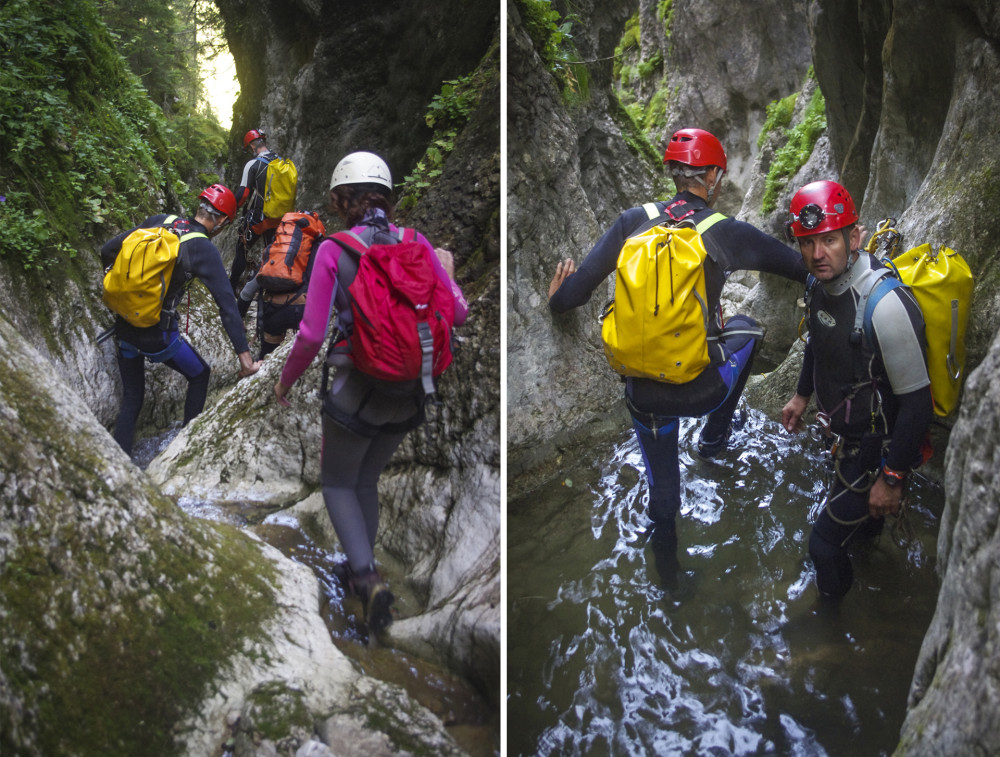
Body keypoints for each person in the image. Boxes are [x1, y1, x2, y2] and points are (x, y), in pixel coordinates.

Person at [548, 127, 808, 587]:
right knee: (748, 330)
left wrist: (556, 295)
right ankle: (714, 437)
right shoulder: (725, 232)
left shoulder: (632, 221)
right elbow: (801, 268)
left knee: (664, 495)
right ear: (711, 177)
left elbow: (571, 297)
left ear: (673, 174)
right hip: (701, 389)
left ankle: (667, 582)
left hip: (644, 393)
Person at [273, 151, 468, 634]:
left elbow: (312, 335)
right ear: (385, 198)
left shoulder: (333, 250)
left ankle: (366, 577)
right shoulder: (417, 242)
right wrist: (450, 271)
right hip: (411, 392)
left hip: (354, 388)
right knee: (365, 481)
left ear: (342, 201)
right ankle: (358, 563)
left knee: (338, 482)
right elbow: (457, 313)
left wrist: (284, 381)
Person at [780, 180, 932, 600]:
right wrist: (802, 395)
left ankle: (831, 632)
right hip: (848, 436)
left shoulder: (885, 306)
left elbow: (918, 404)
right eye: (807, 242)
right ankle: (873, 574)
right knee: (861, 533)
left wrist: (894, 477)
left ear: (855, 237)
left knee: (823, 546)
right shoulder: (818, 286)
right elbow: (817, 342)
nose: (816, 254)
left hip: (875, 450)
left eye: (828, 240)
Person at [101, 184, 262, 456]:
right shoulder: (203, 249)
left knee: (132, 398)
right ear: (222, 221)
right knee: (200, 375)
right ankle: (184, 449)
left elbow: (108, 250)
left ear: (199, 207)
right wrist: (245, 360)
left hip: (125, 325)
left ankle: (120, 465)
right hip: (156, 335)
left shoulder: (159, 222)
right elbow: (227, 306)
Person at [230, 128, 280, 309]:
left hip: (258, 216)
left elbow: (243, 193)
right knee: (272, 252)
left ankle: (231, 287)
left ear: (252, 145)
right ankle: (270, 290)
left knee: (242, 249)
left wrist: (232, 209)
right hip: (278, 218)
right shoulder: (282, 163)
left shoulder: (253, 164)